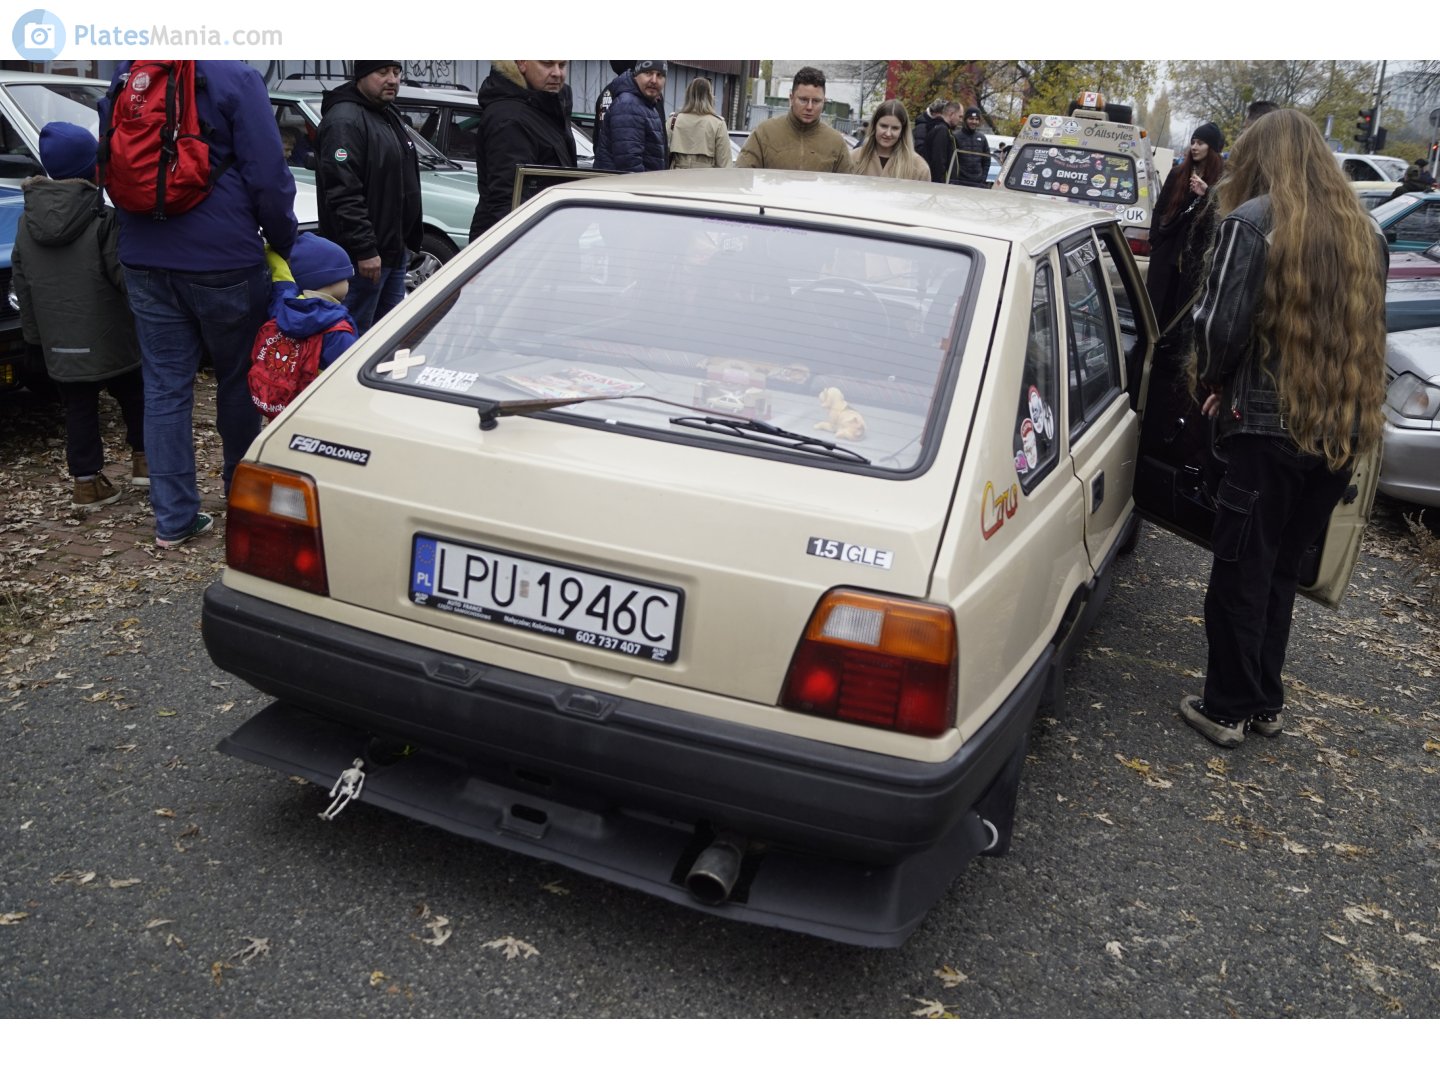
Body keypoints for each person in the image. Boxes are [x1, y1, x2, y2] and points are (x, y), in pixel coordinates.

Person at [1179, 108, 1388, 749]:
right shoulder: (1365, 231)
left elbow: (1218, 326)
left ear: (1265, 158)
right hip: (1340, 431)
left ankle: (1227, 708)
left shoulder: (1254, 222)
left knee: (1243, 567)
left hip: (1266, 430)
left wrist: (1215, 382)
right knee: (1278, 574)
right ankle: (1265, 700)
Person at [99, 60, 297, 548]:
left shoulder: (130, 75)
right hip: (224, 258)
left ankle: (173, 520)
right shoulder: (236, 77)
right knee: (235, 380)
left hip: (145, 256)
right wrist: (282, 239)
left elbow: (107, 162)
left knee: (164, 388)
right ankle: (241, 498)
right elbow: (268, 172)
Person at [12, 122, 146, 510]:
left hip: (59, 341)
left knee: (80, 411)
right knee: (135, 396)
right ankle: (146, 463)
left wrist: (34, 340)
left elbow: (25, 286)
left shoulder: (26, 221)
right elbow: (123, 278)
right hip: (113, 336)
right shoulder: (103, 218)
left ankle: (86, 485)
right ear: (93, 168)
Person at [316, 61, 422, 334]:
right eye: (382, 72)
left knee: (388, 337)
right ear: (362, 75)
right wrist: (364, 249)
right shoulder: (345, 120)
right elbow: (343, 191)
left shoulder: (387, 114)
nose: (392, 80)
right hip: (364, 260)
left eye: (397, 72)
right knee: (354, 340)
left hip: (392, 251)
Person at [249, 233, 358, 418]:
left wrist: (270, 250)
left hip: (283, 405)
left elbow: (282, 279)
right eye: (346, 278)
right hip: (320, 411)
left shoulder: (282, 306)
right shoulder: (337, 328)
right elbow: (349, 375)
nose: (349, 283)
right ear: (329, 280)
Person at [469, 61, 577, 239]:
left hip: (546, 237)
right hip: (522, 246)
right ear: (521, 63)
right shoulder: (510, 119)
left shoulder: (546, 105)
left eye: (562, 65)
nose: (557, 73)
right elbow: (507, 205)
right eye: (547, 64)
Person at [1145, 122, 1225, 360]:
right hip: (1167, 252)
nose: (1194, 147)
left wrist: (1206, 194)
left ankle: (1177, 354)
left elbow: (1219, 220)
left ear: (1212, 148)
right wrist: (1155, 241)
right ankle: (1152, 348)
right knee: (1158, 305)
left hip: (1194, 259)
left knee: (1184, 311)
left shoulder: (1220, 181)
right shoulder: (1178, 173)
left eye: (1200, 143)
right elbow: (1160, 210)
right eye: (1193, 141)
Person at [737, 67, 854, 173]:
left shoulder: (835, 142)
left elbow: (846, 187)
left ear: (824, 101)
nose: (809, 107)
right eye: (803, 100)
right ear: (791, 98)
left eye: (816, 101)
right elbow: (742, 177)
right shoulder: (764, 133)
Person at [594, 61, 669, 172]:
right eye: (648, 73)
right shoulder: (628, 104)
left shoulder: (645, 103)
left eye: (659, 75)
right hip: (626, 186)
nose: (654, 80)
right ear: (636, 74)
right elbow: (629, 164)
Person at [849, 100, 929, 180]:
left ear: (902, 131)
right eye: (883, 126)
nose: (888, 133)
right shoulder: (852, 159)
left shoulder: (919, 168)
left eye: (895, 128)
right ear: (874, 126)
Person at [667, 77, 731, 169]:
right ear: (710, 96)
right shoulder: (718, 124)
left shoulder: (673, 120)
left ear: (688, 94)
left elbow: (661, 156)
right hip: (706, 180)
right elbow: (725, 164)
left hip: (676, 178)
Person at [922, 100, 960, 183]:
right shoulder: (942, 131)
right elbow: (939, 161)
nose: (960, 120)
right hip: (940, 186)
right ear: (951, 114)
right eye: (959, 116)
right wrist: (942, 185)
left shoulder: (942, 129)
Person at [952, 105, 990, 187]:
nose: (974, 122)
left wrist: (983, 179)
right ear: (965, 120)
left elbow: (987, 160)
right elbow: (952, 161)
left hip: (978, 183)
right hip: (960, 182)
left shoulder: (982, 138)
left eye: (977, 119)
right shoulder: (956, 136)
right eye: (971, 119)